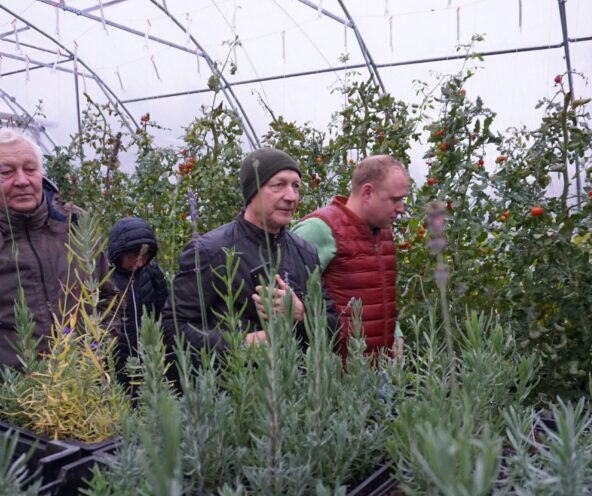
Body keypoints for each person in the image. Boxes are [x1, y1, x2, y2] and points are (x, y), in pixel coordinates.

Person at [162, 147, 338, 356]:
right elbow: (174, 328)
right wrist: (241, 343)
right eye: (278, 185)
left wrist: (302, 314)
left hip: (295, 375)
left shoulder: (304, 252)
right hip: (234, 376)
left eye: (296, 186)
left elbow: (332, 327)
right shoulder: (210, 252)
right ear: (252, 192)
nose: (291, 196)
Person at [0, 128, 118, 370]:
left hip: (81, 380)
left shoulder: (74, 224)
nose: (22, 181)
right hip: (14, 387)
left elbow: (107, 298)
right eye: (6, 172)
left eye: (30, 169)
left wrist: (96, 351)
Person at [292, 155, 409, 359]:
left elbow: (378, 295)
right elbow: (287, 298)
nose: (401, 209)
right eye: (394, 199)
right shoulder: (319, 229)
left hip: (378, 370)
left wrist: (395, 333)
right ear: (367, 192)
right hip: (335, 371)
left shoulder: (383, 232)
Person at [107, 217, 168, 378]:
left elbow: (165, 314)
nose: (139, 263)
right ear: (117, 254)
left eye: (144, 257)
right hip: (113, 367)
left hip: (150, 363)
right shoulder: (103, 276)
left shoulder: (153, 272)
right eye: (131, 257)